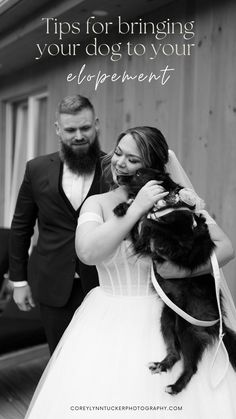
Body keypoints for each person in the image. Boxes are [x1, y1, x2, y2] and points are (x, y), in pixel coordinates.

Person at [25, 127, 236, 418]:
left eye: (133, 160)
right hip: (108, 317)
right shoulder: (97, 203)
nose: (120, 163)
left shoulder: (180, 199)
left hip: (168, 312)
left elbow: (225, 246)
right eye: (119, 153)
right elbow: (87, 252)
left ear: (154, 167)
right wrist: (137, 208)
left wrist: (179, 271)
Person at [9, 94, 108, 353]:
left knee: (101, 355)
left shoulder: (114, 169)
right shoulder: (36, 169)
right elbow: (21, 226)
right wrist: (18, 282)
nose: (78, 136)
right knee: (60, 357)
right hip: (51, 283)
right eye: (70, 129)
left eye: (85, 128)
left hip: (103, 283)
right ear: (57, 129)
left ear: (96, 124)